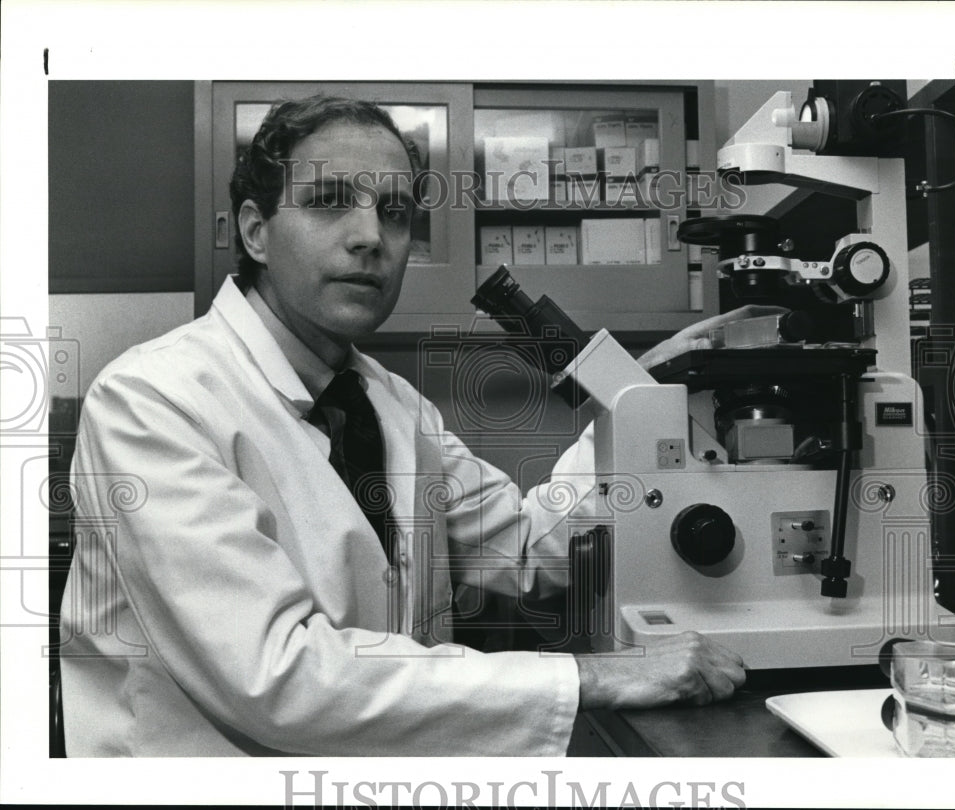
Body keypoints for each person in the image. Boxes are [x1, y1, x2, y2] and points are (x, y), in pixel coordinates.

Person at [60, 95, 759, 757]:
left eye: (394, 212)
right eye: (329, 202)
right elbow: (276, 675)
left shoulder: (392, 404)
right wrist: (593, 677)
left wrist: (637, 401)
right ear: (253, 231)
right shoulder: (153, 402)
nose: (370, 237)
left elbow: (525, 549)